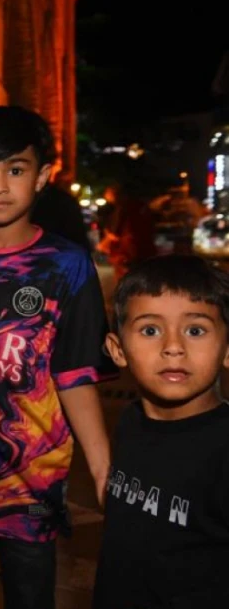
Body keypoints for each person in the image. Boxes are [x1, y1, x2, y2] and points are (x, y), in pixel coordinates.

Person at [0, 105, 118, 609]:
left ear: (42, 177)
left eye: (15, 169)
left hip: (32, 483)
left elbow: (76, 374)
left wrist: (103, 471)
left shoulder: (67, 266)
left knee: (31, 597)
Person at [94, 254, 229, 609]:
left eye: (195, 330)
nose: (173, 347)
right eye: (150, 330)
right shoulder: (129, 421)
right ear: (117, 350)